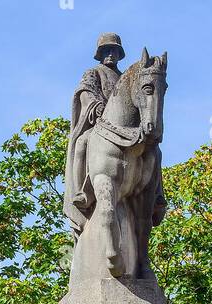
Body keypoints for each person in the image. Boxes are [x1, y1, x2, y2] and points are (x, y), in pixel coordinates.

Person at [63, 32, 126, 236]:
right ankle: (82, 191)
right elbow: (84, 92)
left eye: (114, 50)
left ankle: (157, 196)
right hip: (99, 125)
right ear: (100, 54)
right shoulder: (93, 72)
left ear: (119, 54)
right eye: (106, 50)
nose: (110, 54)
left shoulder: (126, 78)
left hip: (124, 130)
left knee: (153, 153)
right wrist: (95, 105)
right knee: (82, 142)